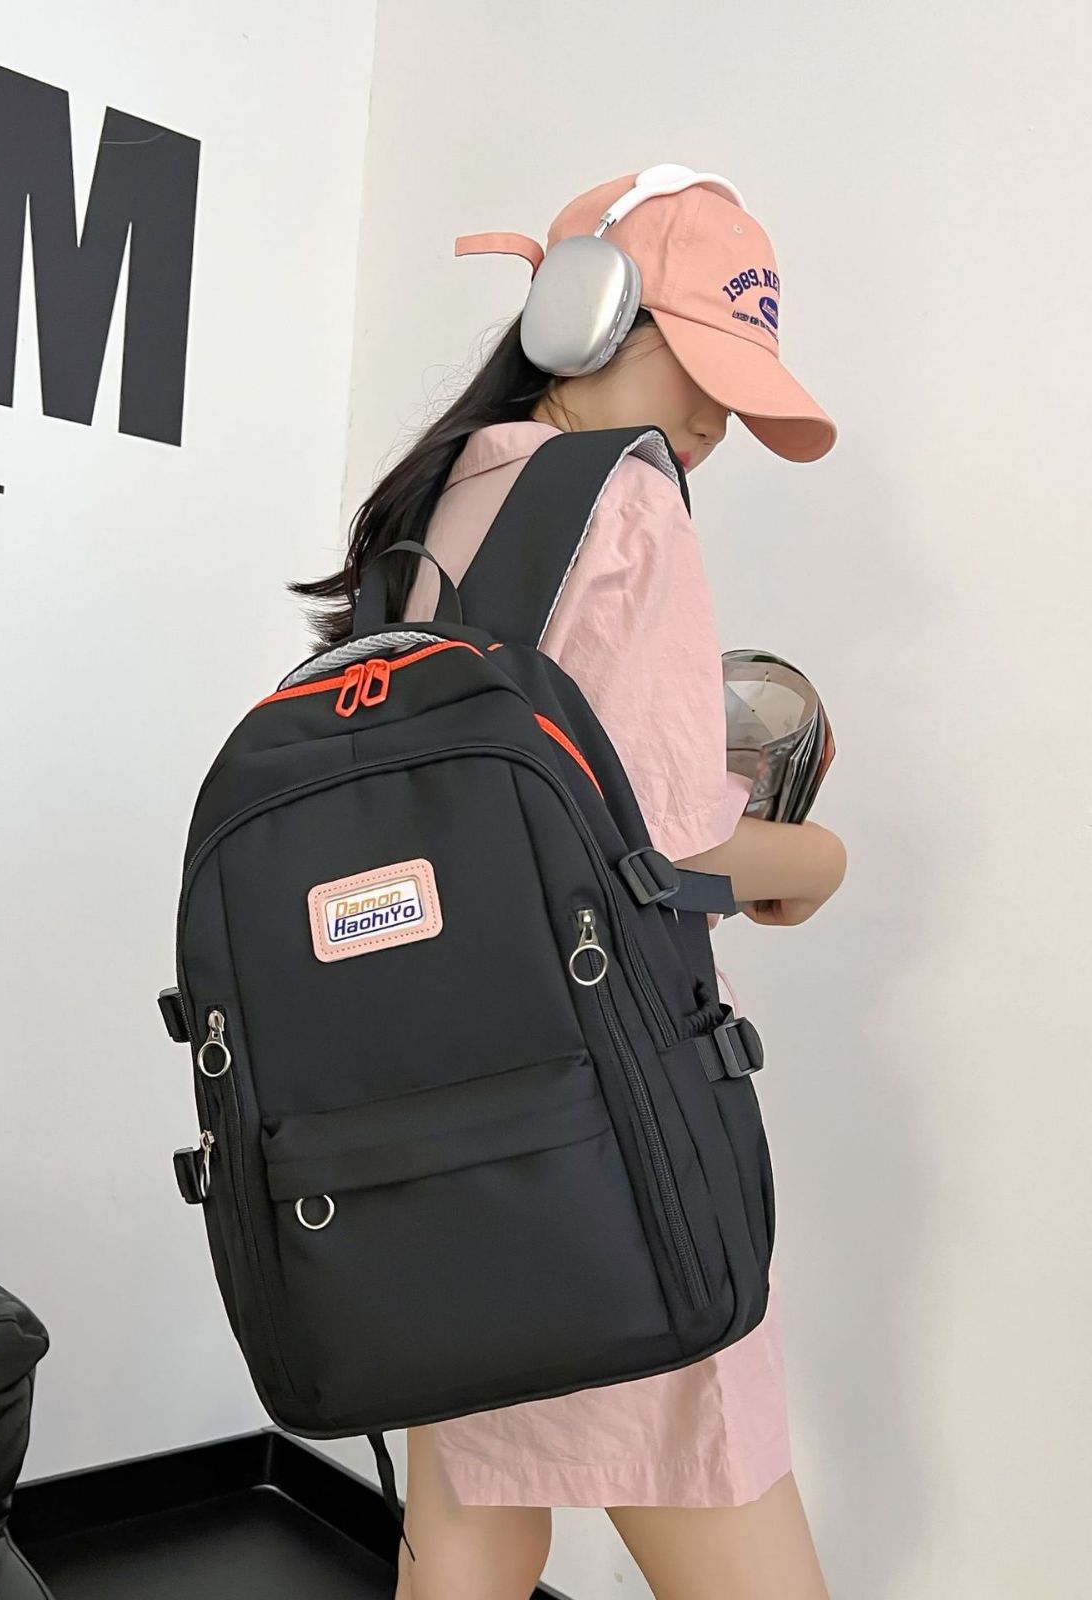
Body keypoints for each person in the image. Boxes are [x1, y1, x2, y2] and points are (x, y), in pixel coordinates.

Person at [294, 169, 846, 1600]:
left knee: (468, 1539)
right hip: (608, 1137)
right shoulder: (629, 499)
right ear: (584, 313)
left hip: (443, 1125)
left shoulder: (435, 501)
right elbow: (667, 842)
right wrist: (811, 858)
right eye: (700, 363)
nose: (716, 420)